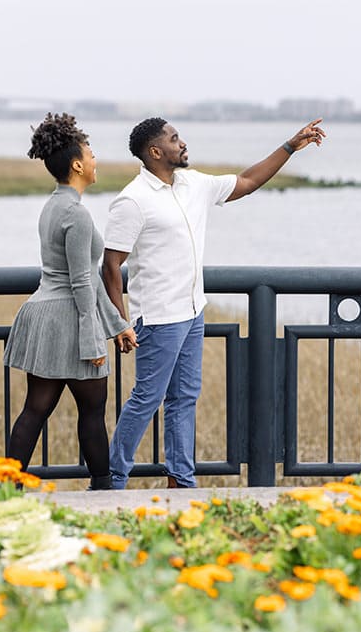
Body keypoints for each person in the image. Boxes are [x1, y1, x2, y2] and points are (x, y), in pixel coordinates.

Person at [103, 117, 326, 488]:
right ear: (156, 152)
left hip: (192, 312)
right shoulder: (132, 200)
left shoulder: (193, 184)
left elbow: (248, 181)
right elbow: (111, 266)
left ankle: (181, 481)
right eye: (175, 139)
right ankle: (112, 479)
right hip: (158, 317)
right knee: (146, 399)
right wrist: (121, 323)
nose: (182, 143)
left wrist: (289, 146)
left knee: (184, 398)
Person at [2, 114, 139, 490]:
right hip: (68, 319)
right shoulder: (76, 215)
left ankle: (7, 490)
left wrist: (118, 326)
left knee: (34, 410)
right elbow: (83, 281)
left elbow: (84, 278)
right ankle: (103, 489)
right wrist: (96, 338)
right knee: (93, 412)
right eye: (91, 155)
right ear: (77, 164)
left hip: (44, 314)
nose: (96, 162)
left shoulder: (52, 206)